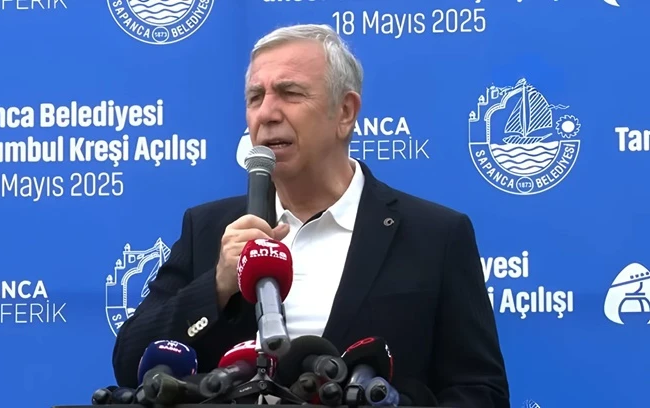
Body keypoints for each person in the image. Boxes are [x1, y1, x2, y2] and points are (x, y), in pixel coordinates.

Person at [112, 23, 510, 407]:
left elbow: (480, 392)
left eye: (290, 93)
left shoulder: (435, 236)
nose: (267, 113)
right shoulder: (207, 229)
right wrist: (216, 286)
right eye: (255, 97)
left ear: (345, 112)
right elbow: (130, 365)